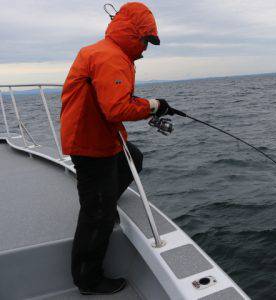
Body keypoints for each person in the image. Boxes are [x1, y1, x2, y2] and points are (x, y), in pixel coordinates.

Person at [60, 2, 174, 295]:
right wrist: (154, 105)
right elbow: (117, 108)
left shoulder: (106, 52)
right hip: (90, 144)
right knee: (96, 213)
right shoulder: (110, 57)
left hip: (99, 138)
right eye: (145, 41)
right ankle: (88, 279)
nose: (146, 49)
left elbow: (111, 101)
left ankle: (105, 203)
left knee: (132, 157)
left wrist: (150, 106)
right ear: (133, 33)